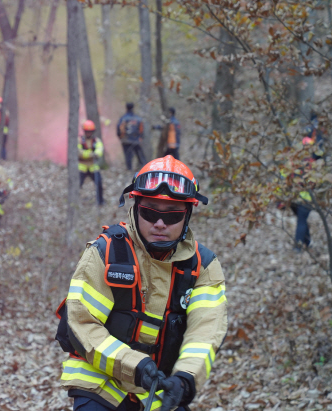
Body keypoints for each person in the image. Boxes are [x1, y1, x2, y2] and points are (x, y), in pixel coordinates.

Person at [59, 155, 227, 411]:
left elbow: (204, 335)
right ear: (136, 207)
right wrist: (134, 365)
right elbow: (83, 324)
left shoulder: (203, 266)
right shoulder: (105, 253)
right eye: (149, 212)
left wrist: (184, 381)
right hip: (100, 382)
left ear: (187, 215)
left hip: (160, 390)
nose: (159, 223)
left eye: (172, 215)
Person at [78, 119, 105, 206]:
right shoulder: (79, 140)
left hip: (93, 167)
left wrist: (96, 154)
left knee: (99, 183)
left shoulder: (96, 140)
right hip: (82, 167)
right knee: (77, 185)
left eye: (90, 131)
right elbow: (79, 152)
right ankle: (75, 202)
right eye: (87, 131)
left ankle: (100, 201)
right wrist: (91, 154)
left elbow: (100, 150)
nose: (88, 133)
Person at [117, 102, 146, 171]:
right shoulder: (138, 118)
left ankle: (129, 170)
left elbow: (119, 129)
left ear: (126, 108)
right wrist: (141, 137)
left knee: (128, 156)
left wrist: (120, 137)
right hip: (136, 140)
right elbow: (141, 129)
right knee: (140, 154)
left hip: (126, 140)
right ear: (133, 108)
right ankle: (145, 168)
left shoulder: (123, 118)